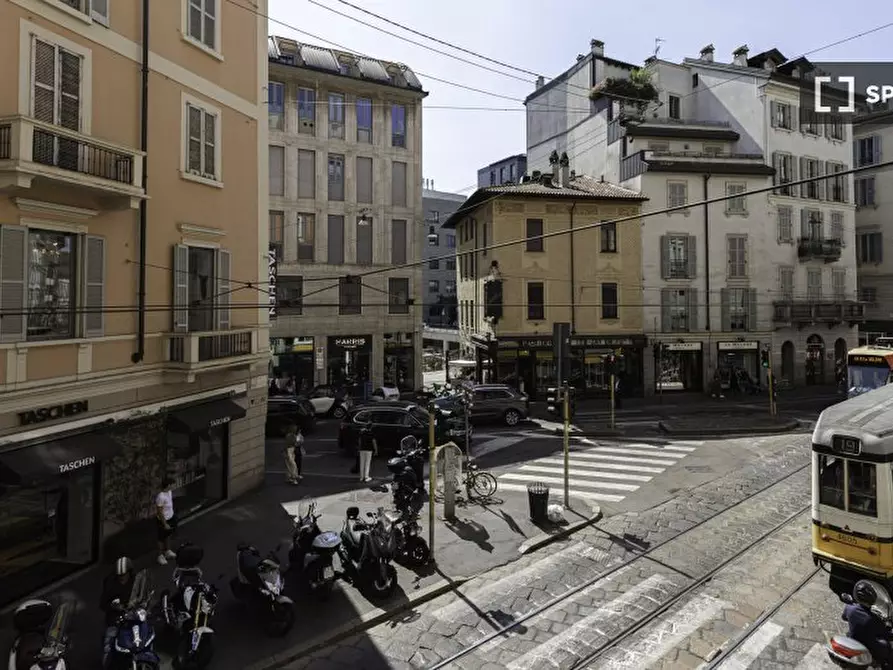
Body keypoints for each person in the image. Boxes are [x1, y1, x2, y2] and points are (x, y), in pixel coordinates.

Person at [843, 581, 891, 666]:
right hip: (869, 646)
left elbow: (844, 617)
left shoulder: (849, 608)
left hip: (853, 639)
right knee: (887, 647)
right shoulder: (873, 618)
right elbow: (885, 633)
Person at [100, 557, 135, 664]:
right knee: (108, 646)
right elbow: (102, 604)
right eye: (119, 575)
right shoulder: (110, 583)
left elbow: (144, 596)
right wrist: (113, 606)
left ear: (129, 572)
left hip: (133, 617)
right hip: (115, 620)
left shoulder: (136, 582)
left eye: (124, 575)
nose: (121, 578)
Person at [155, 478, 178, 565]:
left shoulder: (169, 492)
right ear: (168, 485)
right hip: (163, 520)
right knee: (161, 538)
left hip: (171, 517)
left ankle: (167, 551)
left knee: (168, 535)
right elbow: (159, 512)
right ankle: (160, 556)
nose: (174, 486)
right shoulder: (160, 496)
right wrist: (164, 523)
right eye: (173, 484)